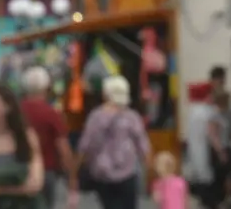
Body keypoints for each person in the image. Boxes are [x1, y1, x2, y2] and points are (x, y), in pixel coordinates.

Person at [74, 76, 148, 209]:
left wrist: (76, 169)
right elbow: (143, 146)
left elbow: (85, 146)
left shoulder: (96, 117)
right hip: (128, 172)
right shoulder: (132, 117)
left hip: (102, 174)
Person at [18, 67, 76, 208]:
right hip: (46, 171)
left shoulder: (16, 112)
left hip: (19, 170)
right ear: (46, 87)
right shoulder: (51, 114)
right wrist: (72, 179)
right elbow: (63, 148)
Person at [181, 83, 228, 209]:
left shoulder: (193, 111)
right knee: (209, 180)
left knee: (200, 178)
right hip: (207, 151)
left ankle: (204, 201)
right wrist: (221, 152)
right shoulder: (209, 112)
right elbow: (213, 135)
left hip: (194, 150)